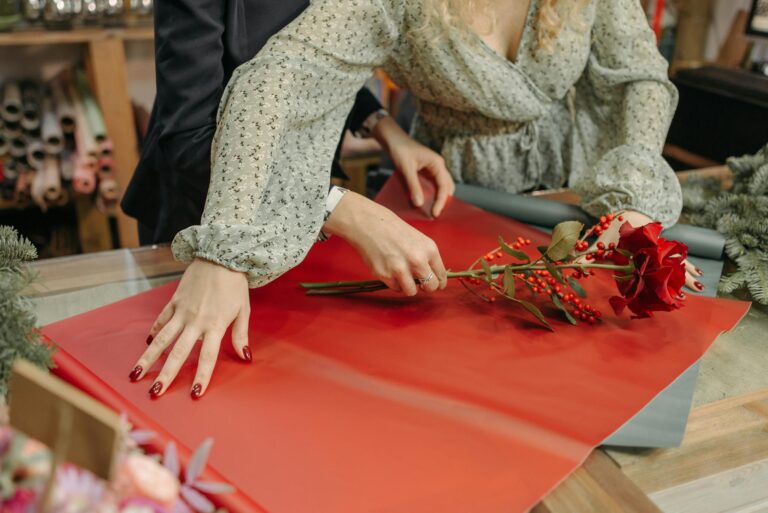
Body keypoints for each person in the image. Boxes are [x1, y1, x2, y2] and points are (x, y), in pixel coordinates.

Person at [130, 0, 702, 399]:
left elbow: (637, 78)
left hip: (564, 195)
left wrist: (634, 196)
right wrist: (228, 245)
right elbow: (277, 78)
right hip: (446, 200)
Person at [121, 0, 453, 244]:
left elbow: (319, 67)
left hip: (308, 207)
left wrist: (383, 126)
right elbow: (188, 136)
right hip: (201, 213)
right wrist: (339, 208)